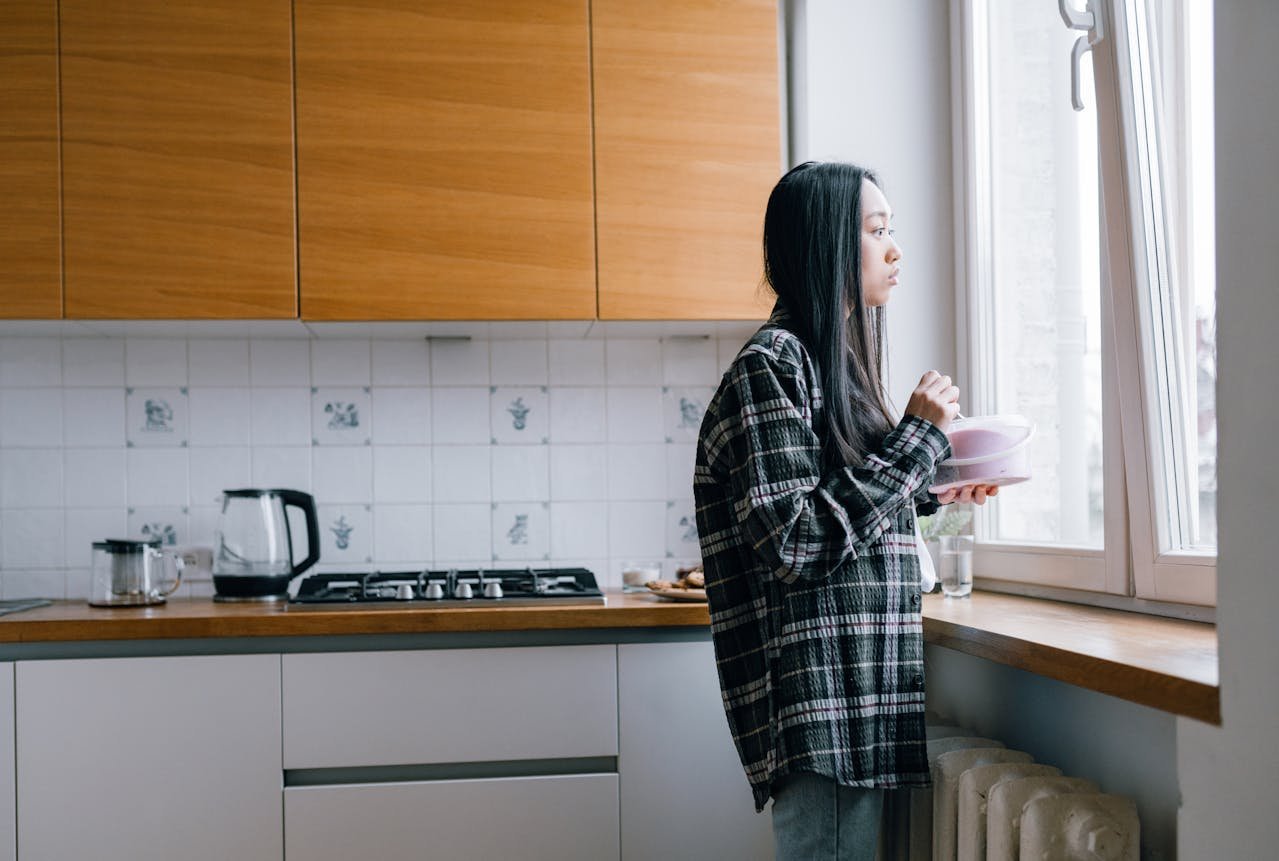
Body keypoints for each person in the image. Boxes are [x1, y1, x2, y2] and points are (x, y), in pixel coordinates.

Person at [693, 161, 999, 859]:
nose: (895, 249)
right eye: (875, 230)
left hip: (856, 697)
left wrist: (939, 491)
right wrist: (917, 438)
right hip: (822, 704)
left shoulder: (832, 366)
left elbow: (854, 513)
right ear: (823, 242)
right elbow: (797, 542)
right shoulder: (770, 366)